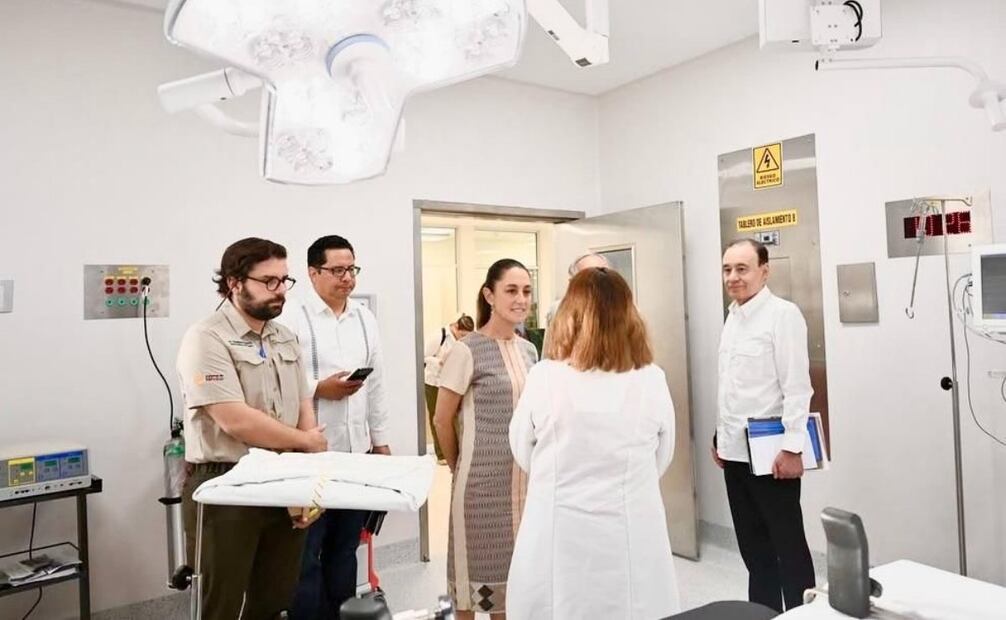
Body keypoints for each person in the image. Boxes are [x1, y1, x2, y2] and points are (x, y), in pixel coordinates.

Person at [506, 267, 680, 620]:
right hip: (631, 530)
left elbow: (522, 449)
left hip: (559, 530)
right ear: (629, 315)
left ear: (570, 314)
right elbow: (663, 455)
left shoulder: (544, 378)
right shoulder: (652, 379)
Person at [176, 237, 328, 620]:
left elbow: (303, 401)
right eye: (268, 281)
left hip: (284, 478)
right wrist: (306, 441)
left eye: (284, 281)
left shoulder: (285, 337)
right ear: (234, 282)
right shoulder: (206, 338)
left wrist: (306, 472)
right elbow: (234, 418)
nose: (280, 292)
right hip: (227, 483)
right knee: (222, 603)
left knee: (274, 599)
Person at [278, 235, 391, 620]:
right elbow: (279, 382)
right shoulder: (291, 317)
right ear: (313, 273)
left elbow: (375, 385)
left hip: (355, 454)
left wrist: (381, 443)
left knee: (345, 550)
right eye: (337, 270)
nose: (346, 278)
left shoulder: (364, 317)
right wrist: (319, 389)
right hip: (309, 456)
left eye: (351, 269)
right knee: (306, 554)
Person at [433, 259, 539, 620]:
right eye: (511, 290)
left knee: (511, 582)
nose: (521, 299)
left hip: (524, 483)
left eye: (526, 291)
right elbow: (441, 418)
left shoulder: (529, 352)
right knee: (470, 582)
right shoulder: (467, 350)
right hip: (479, 483)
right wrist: (457, 464)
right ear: (489, 295)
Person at [714, 238, 816, 612]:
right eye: (727, 269)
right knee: (754, 552)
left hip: (773, 457)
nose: (733, 277)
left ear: (764, 271)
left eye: (742, 269)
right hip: (735, 454)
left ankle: (805, 615)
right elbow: (734, 388)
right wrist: (719, 438)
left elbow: (797, 387)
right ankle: (763, 613)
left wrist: (792, 449)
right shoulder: (733, 317)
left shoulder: (782, 315)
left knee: (788, 548)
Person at [423, 314, 475, 462]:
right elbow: (423, 356)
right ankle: (442, 455)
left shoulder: (462, 341)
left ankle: (457, 452)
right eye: (462, 335)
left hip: (452, 382)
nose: (463, 338)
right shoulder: (440, 335)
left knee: (454, 417)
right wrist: (439, 362)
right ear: (456, 327)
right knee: (437, 417)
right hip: (433, 382)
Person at [544, 252, 610, 327]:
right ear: (572, 282)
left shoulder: (621, 307)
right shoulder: (559, 310)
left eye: (603, 274)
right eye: (588, 277)